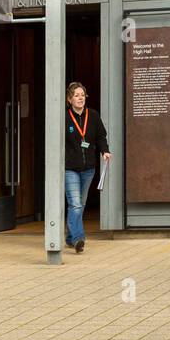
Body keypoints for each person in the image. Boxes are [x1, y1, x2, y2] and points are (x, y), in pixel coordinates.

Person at [64, 82, 111, 254]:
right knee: (75, 203)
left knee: (80, 204)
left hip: (88, 168)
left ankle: (70, 237)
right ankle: (78, 238)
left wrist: (105, 151)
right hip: (70, 168)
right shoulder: (65, 117)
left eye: (82, 95)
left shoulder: (93, 116)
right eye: (76, 95)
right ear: (70, 99)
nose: (80, 98)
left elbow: (101, 136)